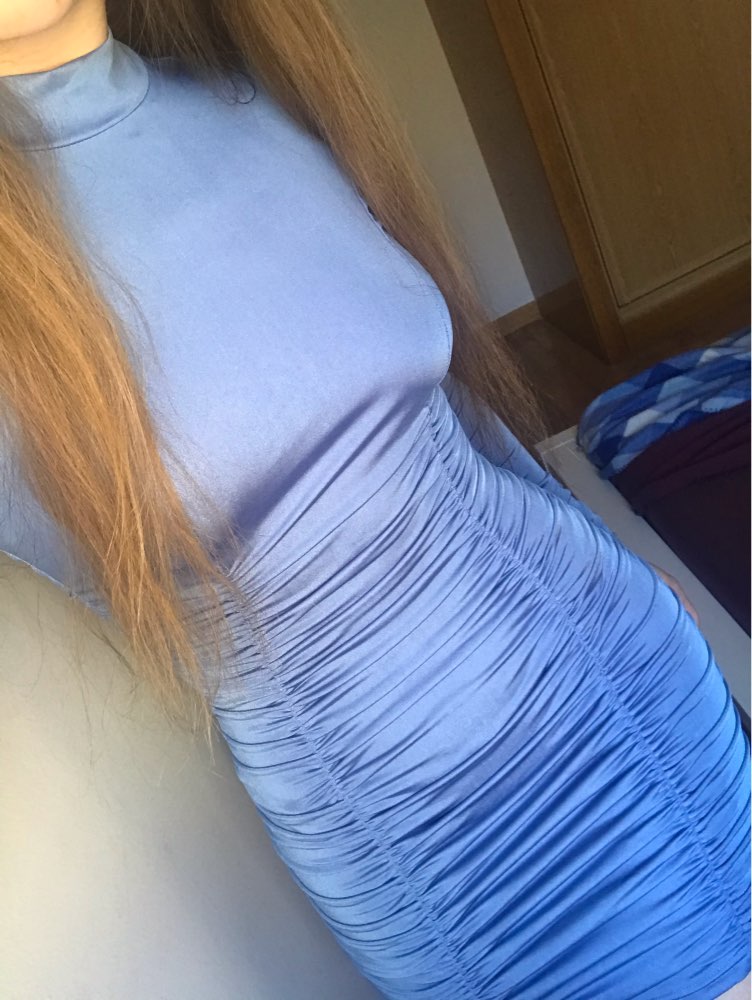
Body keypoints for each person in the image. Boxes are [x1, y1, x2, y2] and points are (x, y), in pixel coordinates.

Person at [0, 2, 748, 997]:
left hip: (627, 666)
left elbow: (454, 415)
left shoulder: (252, 102)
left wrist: (612, 556)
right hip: (445, 838)